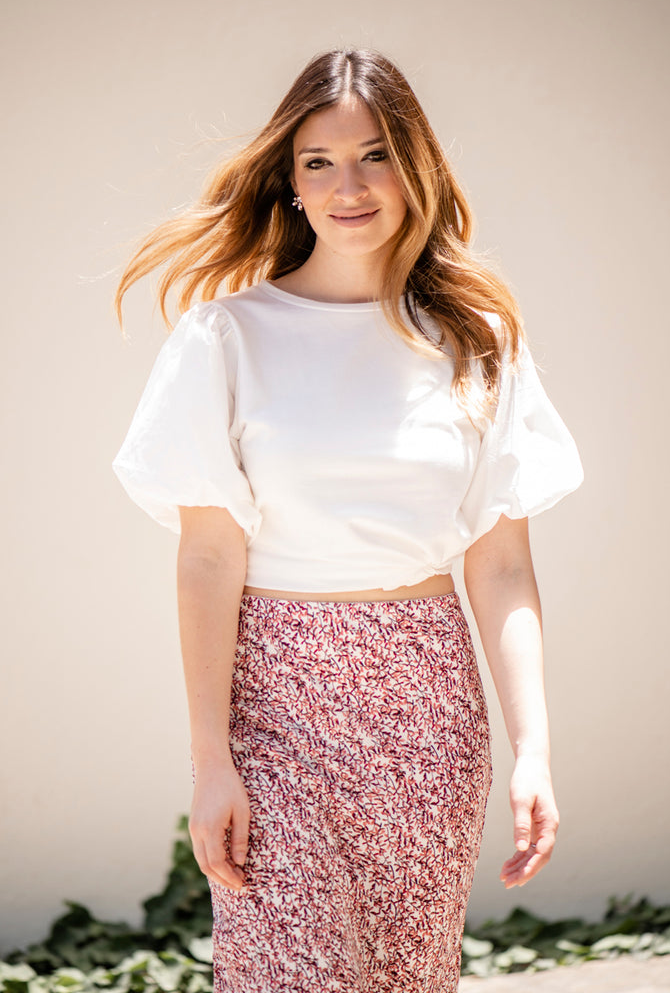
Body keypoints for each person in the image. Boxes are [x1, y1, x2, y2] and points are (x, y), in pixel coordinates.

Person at [112, 48, 583, 993]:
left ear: (416, 168)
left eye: (374, 156)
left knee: (406, 977)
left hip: (426, 706)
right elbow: (207, 558)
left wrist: (533, 751)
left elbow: (500, 566)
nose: (348, 187)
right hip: (274, 706)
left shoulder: (477, 340)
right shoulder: (226, 337)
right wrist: (210, 763)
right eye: (319, 162)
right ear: (289, 181)